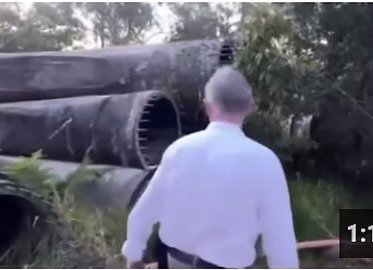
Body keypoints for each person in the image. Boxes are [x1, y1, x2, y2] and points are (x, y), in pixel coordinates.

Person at [122, 66, 299, 269]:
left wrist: (134, 257)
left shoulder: (179, 150)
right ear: (249, 107)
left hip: (174, 264)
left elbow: (142, 213)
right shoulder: (265, 161)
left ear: (207, 107)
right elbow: (280, 238)